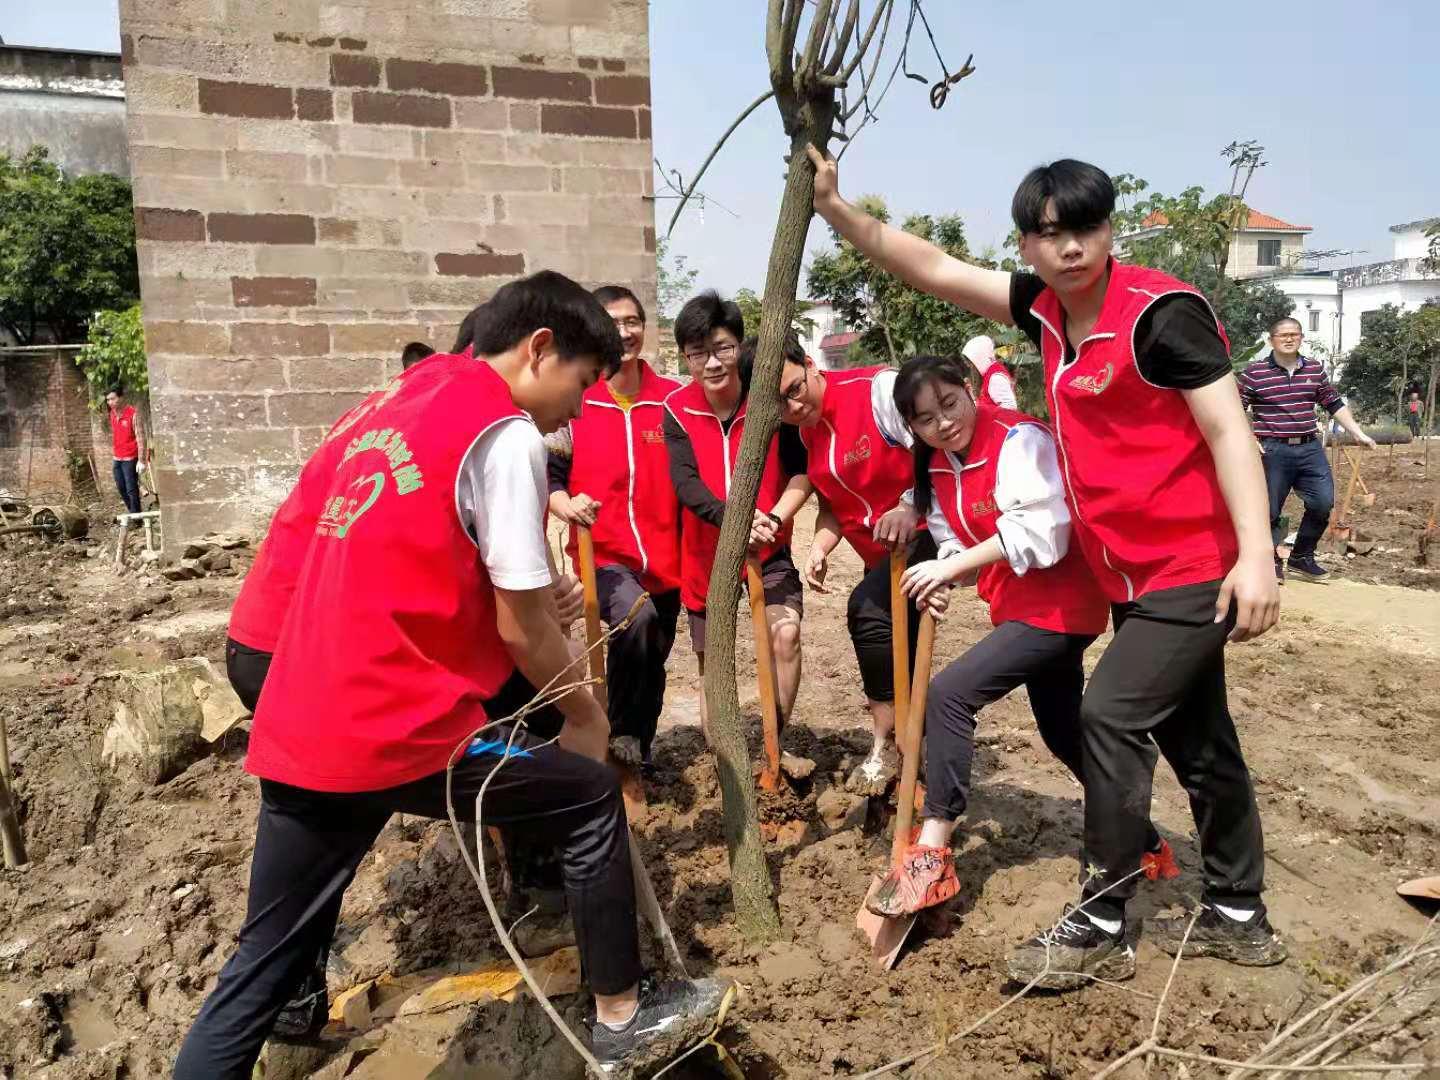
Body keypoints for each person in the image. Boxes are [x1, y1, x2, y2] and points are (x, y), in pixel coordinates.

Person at [173, 272, 729, 1079]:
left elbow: (431, 562)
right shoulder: (504, 436)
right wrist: (583, 712)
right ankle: (623, 1018)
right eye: (578, 385)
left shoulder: (407, 400)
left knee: (257, 967)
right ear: (540, 349)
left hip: (302, 710)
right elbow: (519, 626)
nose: (577, 412)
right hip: (392, 723)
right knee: (585, 795)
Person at [807, 145, 1284, 988]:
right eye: (1048, 235)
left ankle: (1103, 915)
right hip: (1126, 574)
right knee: (1196, 735)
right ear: (1027, 245)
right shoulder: (1045, 309)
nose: (1069, 249)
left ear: (1108, 231)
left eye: (1085, 229)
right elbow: (937, 268)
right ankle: (1240, 912)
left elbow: (1228, 433)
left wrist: (1257, 557)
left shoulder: (1160, 313)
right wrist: (841, 215)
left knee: (1107, 715)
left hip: (1190, 561)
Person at [865, 355, 1177, 919]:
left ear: (971, 389)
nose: (944, 423)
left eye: (951, 404)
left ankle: (932, 848)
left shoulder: (1020, 439)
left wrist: (947, 568)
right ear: (911, 428)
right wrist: (948, 573)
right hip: (1016, 608)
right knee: (1064, 732)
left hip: (1062, 605)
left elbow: (1043, 532)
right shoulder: (935, 467)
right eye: (926, 419)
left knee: (948, 695)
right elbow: (954, 537)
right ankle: (1146, 841)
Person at [770, 339, 931, 795]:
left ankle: (891, 743)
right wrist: (820, 547)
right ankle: (910, 753)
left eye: (795, 389)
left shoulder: (877, 391)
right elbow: (832, 508)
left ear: (810, 364)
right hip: (879, 557)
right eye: (779, 403)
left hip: (925, 536)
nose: (792, 405)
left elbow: (935, 452)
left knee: (867, 612)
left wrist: (908, 505)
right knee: (900, 647)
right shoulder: (802, 433)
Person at [547, 285, 683, 772]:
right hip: (602, 555)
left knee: (651, 656)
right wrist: (565, 505)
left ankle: (635, 748)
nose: (624, 332)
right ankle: (620, 734)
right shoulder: (577, 400)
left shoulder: (673, 401)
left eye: (632, 321)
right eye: (613, 322)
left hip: (669, 558)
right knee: (636, 618)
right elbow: (552, 477)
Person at [662, 294, 810, 742]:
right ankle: (722, 759)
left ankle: (773, 740)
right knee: (715, 660)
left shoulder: (769, 401)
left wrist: (774, 520)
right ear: (686, 357)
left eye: (722, 348)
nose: (711, 363)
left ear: (740, 346)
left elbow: (802, 472)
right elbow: (686, 485)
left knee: (785, 635)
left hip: (770, 545)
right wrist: (736, 520)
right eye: (698, 353)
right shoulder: (676, 409)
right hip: (707, 555)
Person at [1238, 317, 1376, 582]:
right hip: (1272, 450)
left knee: (1323, 502)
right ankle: (1270, 562)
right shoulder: (1254, 373)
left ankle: (1302, 557)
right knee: (1268, 510)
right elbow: (1236, 406)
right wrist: (1248, 437)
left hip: (1309, 448)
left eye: (1294, 334)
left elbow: (1333, 403)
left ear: (1301, 338)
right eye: (1283, 335)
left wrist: (1358, 433)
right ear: (1271, 340)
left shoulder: (1314, 369)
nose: (1289, 339)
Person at [105, 387, 145, 515]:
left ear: (121, 398)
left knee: (131, 488)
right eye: (108, 400)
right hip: (117, 457)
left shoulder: (132, 414)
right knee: (121, 487)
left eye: (113, 399)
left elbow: (140, 438)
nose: (110, 402)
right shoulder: (112, 414)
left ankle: (136, 516)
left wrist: (141, 460)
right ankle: (132, 512)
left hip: (130, 458)